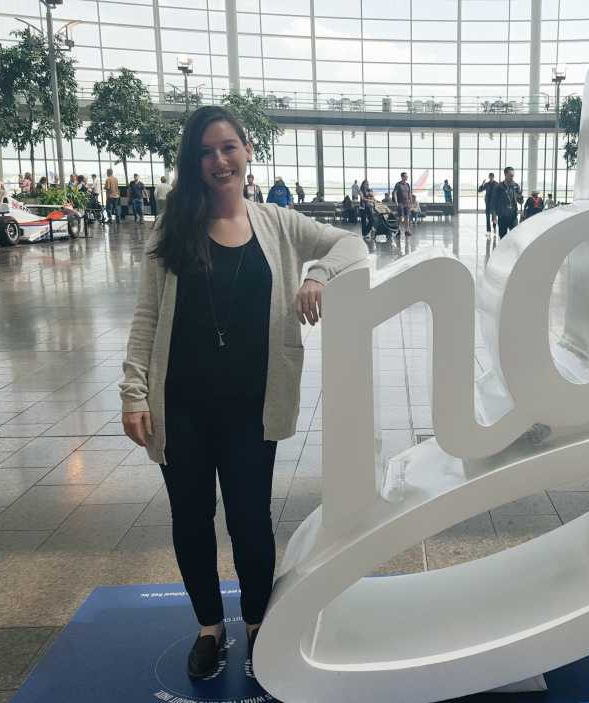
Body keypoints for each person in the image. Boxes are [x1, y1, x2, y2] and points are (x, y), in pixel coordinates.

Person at [119, 105, 367, 682]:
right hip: (179, 404)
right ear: (194, 161)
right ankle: (210, 627)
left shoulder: (278, 224)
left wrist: (317, 276)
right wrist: (135, 393)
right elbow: (147, 316)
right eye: (206, 151)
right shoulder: (172, 228)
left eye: (227, 147)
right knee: (191, 517)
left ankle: (257, 623)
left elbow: (350, 243)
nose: (218, 160)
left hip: (252, 405)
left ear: (247, 151)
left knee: (252, 518)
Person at [492, 166, 522, 238]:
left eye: (513, 175)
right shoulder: (499, 187)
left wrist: (520, 198)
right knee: (503, 238)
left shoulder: (516, 186)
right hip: (502, 217)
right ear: (505, 174)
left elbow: (520, 201)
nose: (512, 177)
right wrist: (494, 216)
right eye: (510, 175)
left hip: (513, 217)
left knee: (514, 237)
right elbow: (494, 202)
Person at [392, 172, 413, 236]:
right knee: (401, 218)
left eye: (407, 176)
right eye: (406, 176)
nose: (407, 177)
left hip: (406, 203)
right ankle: (397, 229)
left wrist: (410, 201)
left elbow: (409, 193)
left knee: (407, 217)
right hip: (400, 203)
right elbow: (395, 193)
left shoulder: (407, 185)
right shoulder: (398, 184)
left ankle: (407, 230)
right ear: (402, 177)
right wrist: (396, 202)